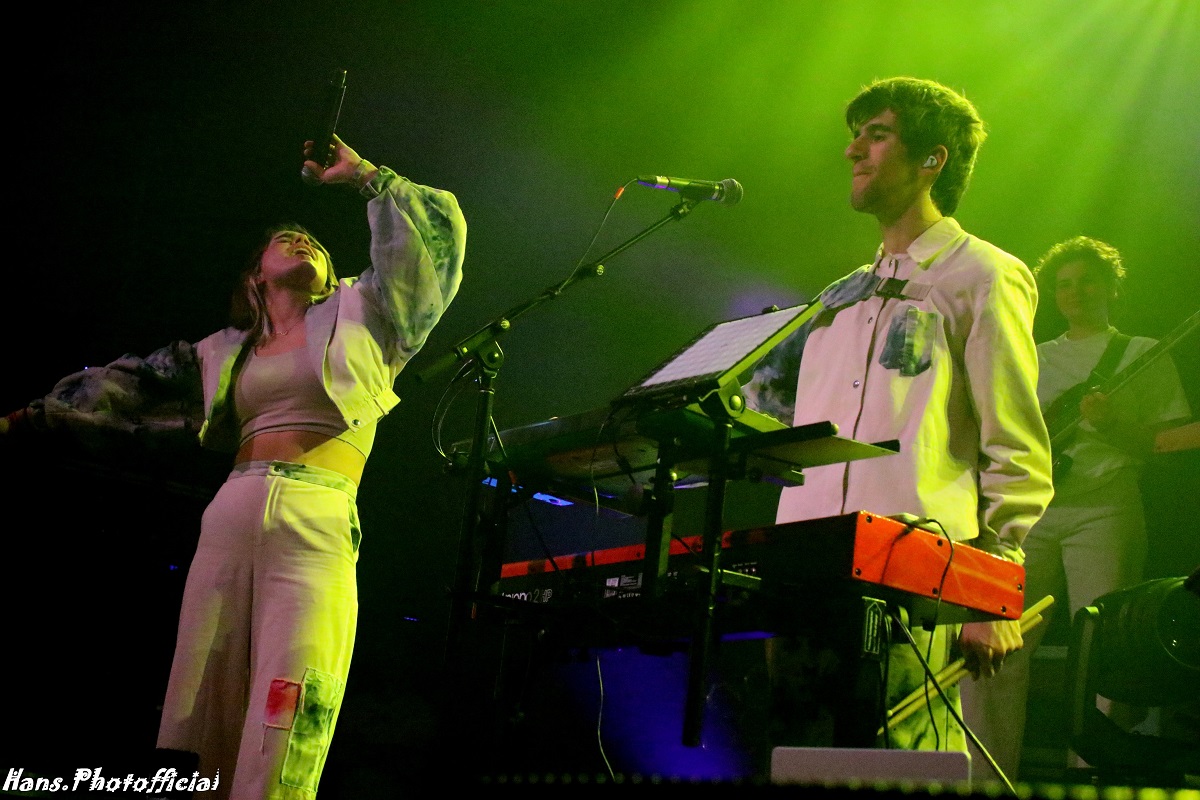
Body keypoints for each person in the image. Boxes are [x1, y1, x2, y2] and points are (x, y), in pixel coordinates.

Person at [1, 132, 467, 798]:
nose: (303, 241)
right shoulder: (224, 352)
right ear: (254, 276)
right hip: (229, 519)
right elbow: (127, 387)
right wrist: (27, 418)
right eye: (286, 239)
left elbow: (434, 246)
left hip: (315, 520)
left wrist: (364, 175)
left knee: (290, 707)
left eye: (314, 242)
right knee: (198, 719)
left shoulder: (368, 313)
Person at [744, 76, 1053, 765]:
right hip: (804, 571)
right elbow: (780, 422)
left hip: (914, 578)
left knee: (898, 766)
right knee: (799, 764)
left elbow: (1015, 443)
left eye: (876, 135)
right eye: (856, 136)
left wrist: (991, 591)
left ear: (932, 159)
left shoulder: (983, 274)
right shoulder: (837, 297)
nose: (853, 150)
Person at [961, 235, 1191, 780]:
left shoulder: (1142, 352)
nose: (1074, 292)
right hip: (1031, 514)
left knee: (1106, 649)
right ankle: (985, 778)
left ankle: (1096, 778)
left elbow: (1166, 443)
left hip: (1107, 507)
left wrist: (1115, 425)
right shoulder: (1034, 355)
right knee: (999, 640)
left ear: (1111, 287)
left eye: (1087, 281)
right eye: (1064, 285)